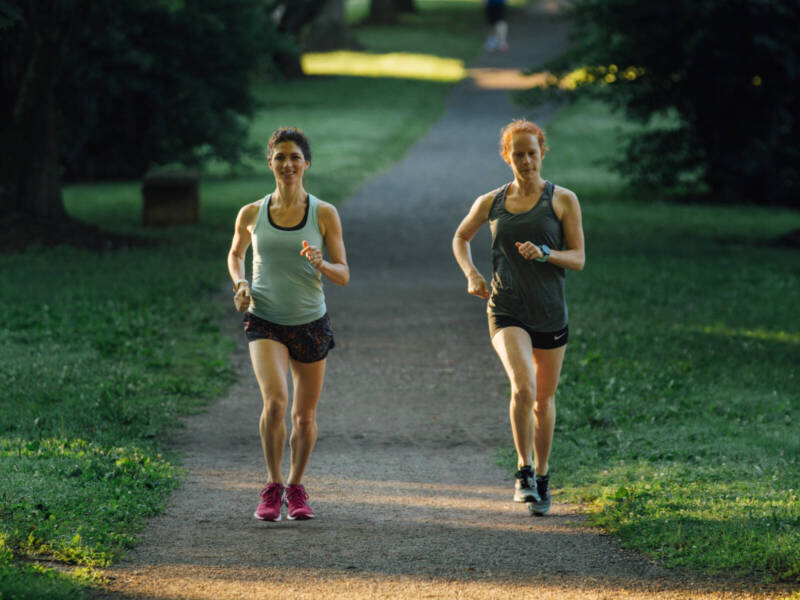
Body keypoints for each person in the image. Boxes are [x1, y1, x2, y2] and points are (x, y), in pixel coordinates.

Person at [452, 119, 585, 516]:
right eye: (518, 154)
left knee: (543, 400)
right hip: (506, 308)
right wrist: (472, 274)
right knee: (523, 387)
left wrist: (547, 254)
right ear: (506, 156)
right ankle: (523, 470)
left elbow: (578, 258)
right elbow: (460, 237)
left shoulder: (562, 200)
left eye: (532, 152)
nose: (525, 160)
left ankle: (543, 475)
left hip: (549, 311)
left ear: (543, 152)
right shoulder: (490, 201)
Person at [227, 127, 349, 521]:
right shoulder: (251, 212)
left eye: (295, 156)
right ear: (270, 163)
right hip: (265, 318)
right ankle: (272, 484)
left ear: (306, 162)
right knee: (276, 401)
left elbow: (344, 274)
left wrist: (321, 263)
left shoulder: (324, 213)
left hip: (311, 322)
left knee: (304, 416)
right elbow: (235, 255)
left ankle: (296, 486)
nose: (288, 164)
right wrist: (241, 282)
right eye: (280, 157)